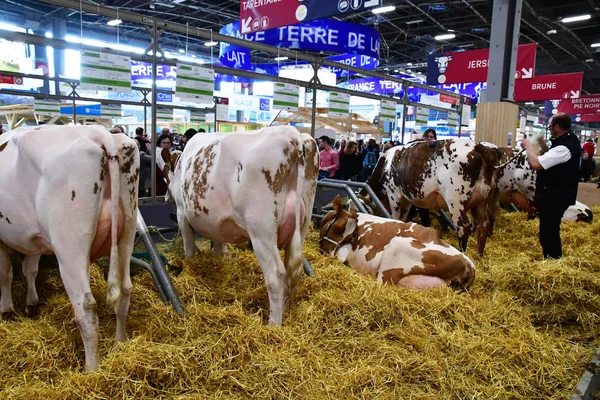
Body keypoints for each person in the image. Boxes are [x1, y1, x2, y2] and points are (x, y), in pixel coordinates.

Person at [521, 112, 581, 259]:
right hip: (558, 193)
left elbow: (536, 164)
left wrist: (528, 146)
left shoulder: (565, 147)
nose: (549, 130)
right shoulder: (568, 141)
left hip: (556, 195)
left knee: (548, 231)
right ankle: (551, 258)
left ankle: (552, 259)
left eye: (550, 127)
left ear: (557, 127)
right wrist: (543, 146)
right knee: (550, 228)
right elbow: (555, 160)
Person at [406, 129, 437, 226]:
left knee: (423, 208)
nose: (429, 139)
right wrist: (416, 141)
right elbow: (408, 145)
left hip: (427, 183)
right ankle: (407, 226)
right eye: (427, 136)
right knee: (412, 205)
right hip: (415, 180)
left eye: (431, 137)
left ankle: (425, 229)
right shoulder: (418, 148)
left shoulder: (435, 151)